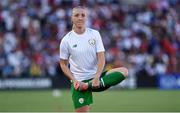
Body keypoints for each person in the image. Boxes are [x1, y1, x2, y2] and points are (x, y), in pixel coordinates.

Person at [59, 6, 128, 112]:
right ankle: (85, 85)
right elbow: (63, 64)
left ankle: (88, 85)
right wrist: (74, 81)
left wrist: (96, 78)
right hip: (79, 82)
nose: (80, 18)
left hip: (97, 80)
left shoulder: (95, 34)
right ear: (72, 18)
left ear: (86, 18)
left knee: (124, 71)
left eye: (83, 15)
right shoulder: (66, 40)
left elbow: (101, 57)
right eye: (76, 15)